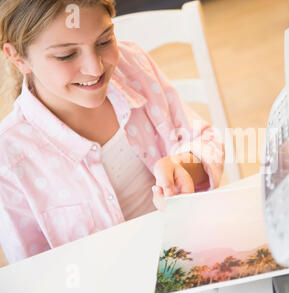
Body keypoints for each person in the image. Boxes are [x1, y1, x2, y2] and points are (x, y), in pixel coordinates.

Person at [0, 0, 224, 264]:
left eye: (104, 41)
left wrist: (184, 165)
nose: (95, 69)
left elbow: (206, 140)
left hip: (188, 255)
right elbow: (33, 274)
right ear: (17, 57)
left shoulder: (134, 65)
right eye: (66, 55)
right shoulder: (10, 157)